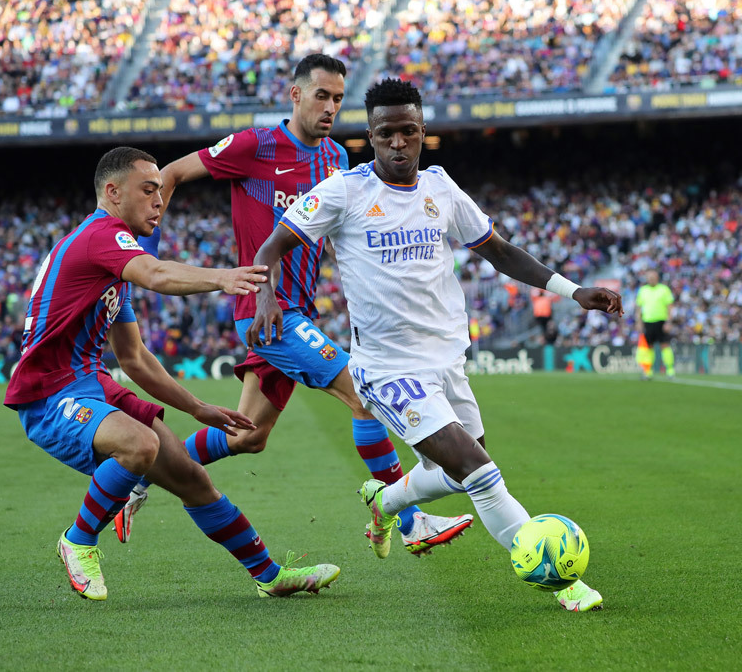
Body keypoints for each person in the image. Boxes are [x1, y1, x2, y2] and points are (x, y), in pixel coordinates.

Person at [247, 79, 623, 612]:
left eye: (407, 132)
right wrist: (267, 298)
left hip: (447, 360)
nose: (397, 144)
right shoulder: (343, 191)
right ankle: (560, 579)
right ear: (369, 137)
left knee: (460, 467)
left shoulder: (441, 189)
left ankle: (387, 502)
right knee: (479, 472)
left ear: (423, 133)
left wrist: (573, 290)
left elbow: (499, 252)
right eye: (384, 134)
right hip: (386, 369)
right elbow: (271, 245)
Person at [120, 54, 472, 555]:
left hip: (298, 313)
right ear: (296, 95)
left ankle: (145, 469)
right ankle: (409, 518)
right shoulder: (253, 145)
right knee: (366, 394)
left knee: (247, 436)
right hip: (266, 313)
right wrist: (142, 253)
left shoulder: (335, 160)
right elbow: (171, 172)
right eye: (321, 95)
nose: (330, 107)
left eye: (338, 99)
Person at [4, 147, 340, 601]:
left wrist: (199, 408)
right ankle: (77, 540)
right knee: (139, 446)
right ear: (112, 192)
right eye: (148, 191)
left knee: (191, 477)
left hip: (90, 382)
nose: (159, 201)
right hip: (49, 391)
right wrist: (224, 278)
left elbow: (134, 358)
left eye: (162, 191)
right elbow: (158, 274)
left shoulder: (111, 265)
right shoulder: (103, 236)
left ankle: (270, 576)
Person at [635, 269, 675, 379]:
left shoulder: (664, 289)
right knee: (648, 347)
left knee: (665, 345)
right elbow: (638, 308)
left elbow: (670, 307)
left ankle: (670, 370)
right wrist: (639, 322)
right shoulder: (643, 290)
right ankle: (648, 372)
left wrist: (669, 322)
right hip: (647, 322)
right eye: (649, 277)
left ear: (657, 278)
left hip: (661, 321)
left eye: (653, 277)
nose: (651, 279)